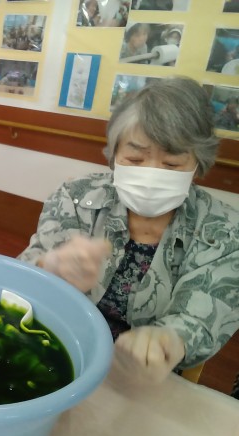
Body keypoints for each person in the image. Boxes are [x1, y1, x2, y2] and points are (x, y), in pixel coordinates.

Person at [19, 76, 239, 386]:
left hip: (142, 379)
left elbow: (202, 318)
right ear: (114, 154)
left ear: (197, 164)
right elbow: (23, 275)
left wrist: (168, 340)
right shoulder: (78, 197)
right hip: (58, 351)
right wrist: (47, 269)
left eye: (172, 164)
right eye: (135, 159)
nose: (151, 174)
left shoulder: (224, 231)